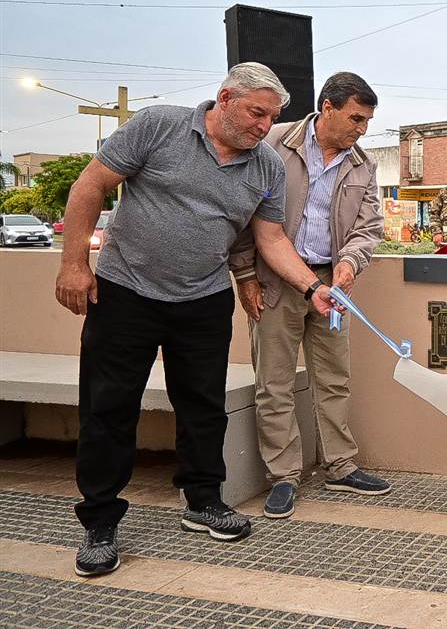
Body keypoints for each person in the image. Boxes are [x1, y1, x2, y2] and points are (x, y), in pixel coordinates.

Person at [56, 63, 341, 578]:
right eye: (257, 113)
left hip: (204, 300)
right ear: (225, 97)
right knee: (108, 408)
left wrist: (314, 287)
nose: (263, 126)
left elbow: (271, 240)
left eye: (272, 117)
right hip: (125, 293)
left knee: (203, 408)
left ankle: (202, 501)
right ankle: (99, 521)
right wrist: (74, 263)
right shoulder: (159, 125)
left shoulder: (267, 167)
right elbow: (91, 184)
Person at [228, 71, 389, 519]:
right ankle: (284, 476)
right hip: (276, 282)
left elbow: (368, 227)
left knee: (334, 378)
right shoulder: (273, 143)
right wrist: (245, 274)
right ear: (328, 107)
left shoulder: (364, 163)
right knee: (274, 383)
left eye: (367, 121)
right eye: (356, 118)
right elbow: (242, 215)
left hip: (333, 288)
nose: (362, 128)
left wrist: (350, 263)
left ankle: (340, 464)